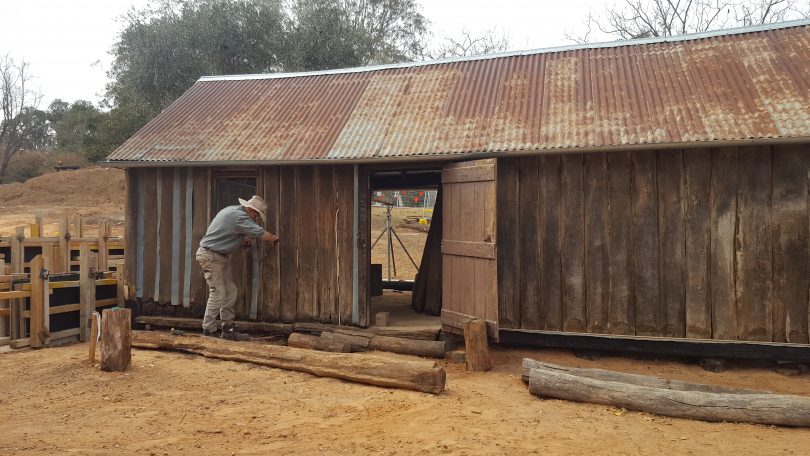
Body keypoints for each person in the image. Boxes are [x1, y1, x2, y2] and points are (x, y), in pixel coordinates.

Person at [196, 195, 279, 340]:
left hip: (218, 256)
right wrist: (273, 238)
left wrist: (242, 241)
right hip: (211, 256)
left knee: (231, 292)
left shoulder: (232, 211)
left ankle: (227, 329)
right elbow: (259, 232)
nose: (256, 218)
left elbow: (227, 233)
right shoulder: (240, 217)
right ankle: (208, 330)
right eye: (256, 214)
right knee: (218, 293)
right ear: (249, 209)